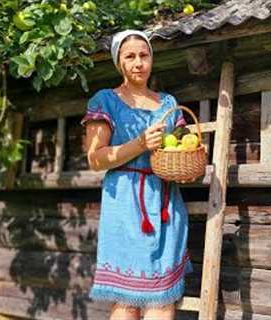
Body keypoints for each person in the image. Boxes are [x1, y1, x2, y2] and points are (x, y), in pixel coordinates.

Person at [80, 29, 192, 320]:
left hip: (166, 203)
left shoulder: (168, 103)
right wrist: (140, 143)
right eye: (130, 56)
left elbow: (180, 146)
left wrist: (183, 162)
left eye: (144, 55)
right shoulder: (105, 100)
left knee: (163, 300)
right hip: (125, 204)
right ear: (119, 63)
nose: (138, 62)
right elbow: (95, 158)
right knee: (126, 303)